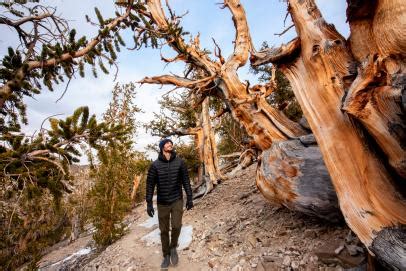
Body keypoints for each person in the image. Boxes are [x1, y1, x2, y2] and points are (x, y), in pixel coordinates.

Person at [145, 138, 193, 269]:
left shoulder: (180, 163)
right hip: (162, 203)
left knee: (177, 226)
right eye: (167, 143)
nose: (170, 144)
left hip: (177, 199)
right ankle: (166, 255)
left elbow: (186, 181)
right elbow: (150, 185)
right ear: (162, 147)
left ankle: (173, 248)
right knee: (164, 230)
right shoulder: (155, 165)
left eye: (171, 143)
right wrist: (149, 203)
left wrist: (190, 197)